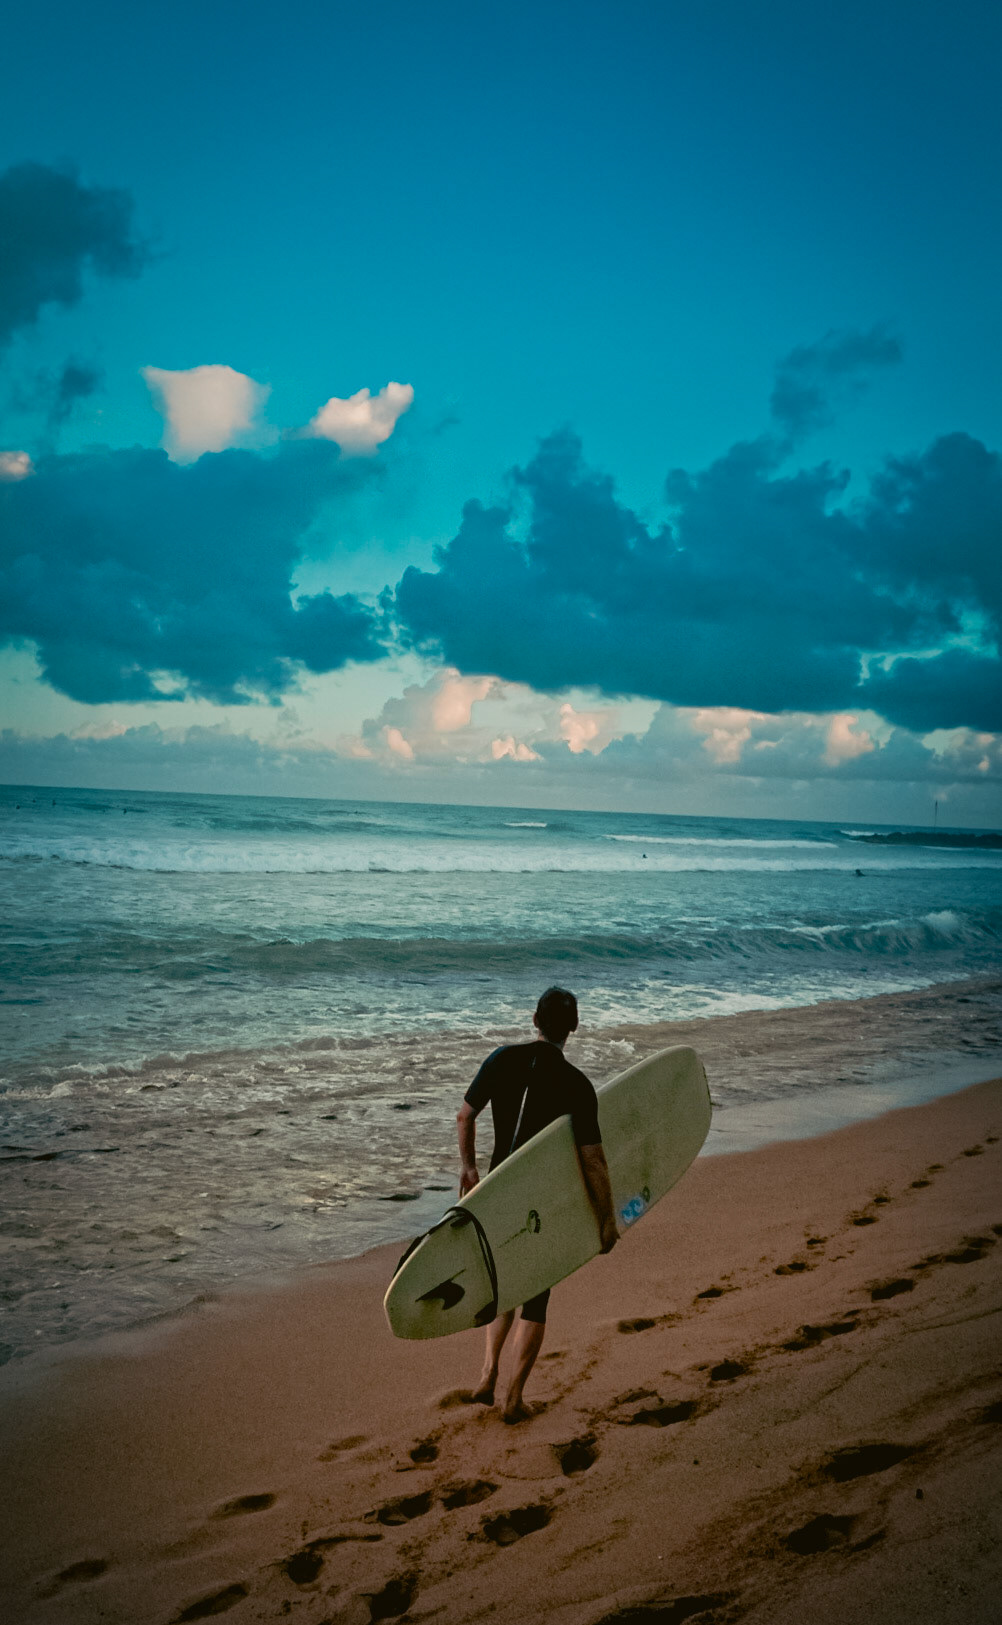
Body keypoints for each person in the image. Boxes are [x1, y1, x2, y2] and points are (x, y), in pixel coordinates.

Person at [455, 985, 618, 1423]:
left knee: (505, 1284)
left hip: (497, 1192)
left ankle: (487, 1376)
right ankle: (513, 1398)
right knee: (536, 1296)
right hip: (540, 1203)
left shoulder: (501, 1059)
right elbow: (593, 1162)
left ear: (534, 1020)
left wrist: (469, 1171)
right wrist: (606, 1221)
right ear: (575, 1027)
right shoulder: (577, 1085)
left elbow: (464, 1115)